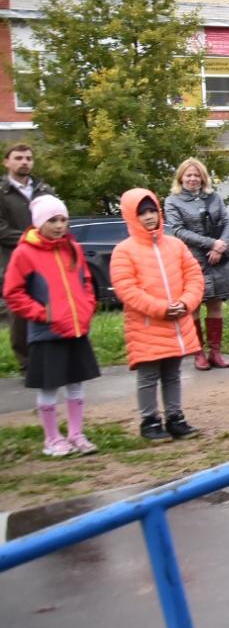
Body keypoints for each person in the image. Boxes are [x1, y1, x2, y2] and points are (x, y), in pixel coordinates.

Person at [4, 195, 101, 455]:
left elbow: (86, 281)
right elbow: (13, 292)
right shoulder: (25, 253)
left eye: (63, 220)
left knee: (76, 384)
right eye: (53, 220)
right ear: (39, 223)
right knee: (49, 386)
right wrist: (42, 313)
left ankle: (76, 434)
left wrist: (86, 307)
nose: (59, 226)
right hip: (47, 332)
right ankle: (51, 439)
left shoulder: (73, 248)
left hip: (76, 329)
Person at [112, 188, 202, 440]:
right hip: (147, 324)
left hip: (177, 321)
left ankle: (175, 417)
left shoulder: (175, 245)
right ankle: (149, 420)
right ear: (131, 216)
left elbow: (194, 277)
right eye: (143, 213)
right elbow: (126, 289)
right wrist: (161, 308)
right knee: (148, 375)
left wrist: (185, 303)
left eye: (152, 210)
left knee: (173, 373)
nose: (149, 217)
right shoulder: (124, 250)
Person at [163, 158, 229, 370]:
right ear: (181, 178)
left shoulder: (214, 197)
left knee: (215, 305)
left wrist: (219, 246)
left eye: (197, 175)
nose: (193, 179)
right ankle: (198, 353)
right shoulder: (173, 201)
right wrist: (211, 243)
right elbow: (177, 230)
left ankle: (216, 352)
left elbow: (227, 222)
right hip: (192, 260)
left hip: (218, 260)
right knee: (194, 306)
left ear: (203, 177)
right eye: (188, 175)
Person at [1, 144, 57, 367]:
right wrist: (32, 238)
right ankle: (27, 363)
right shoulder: (3, 192)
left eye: (28, 158)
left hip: (47, 261)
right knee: (21, 315)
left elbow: (58, 219)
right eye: (18, 158)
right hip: (14, 261)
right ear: (7, 162)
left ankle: (52, 356)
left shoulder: (44, 190)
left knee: (51, 306)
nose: (24, 162)